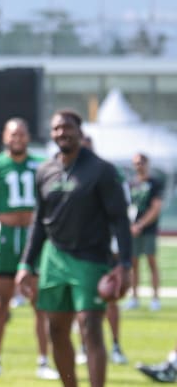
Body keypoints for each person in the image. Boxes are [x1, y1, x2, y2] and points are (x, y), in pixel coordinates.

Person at [16, 109, 132, 387]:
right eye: (56, 129)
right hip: (54, 259)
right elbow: (39, 223)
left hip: (91, 259)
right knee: (56, 330)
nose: (61, 133)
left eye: (67, 128)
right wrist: (25, 264)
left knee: (90, 328)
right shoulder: (45, 170)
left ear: (80, 133)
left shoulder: (102, 170)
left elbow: (120, 220)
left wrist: (125, 265)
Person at [0, 118, 58, 380]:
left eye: (21, 133)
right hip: (6, 236)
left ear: (28, 136)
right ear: (5, 137)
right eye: (13, 134)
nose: (17, 138)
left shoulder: (40, 164)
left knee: (39, 302)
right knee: (1, 301)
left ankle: (44, 360)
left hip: (34, 235)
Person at [75, 135, 129, 366]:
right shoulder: (70, 176)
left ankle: (115, 344)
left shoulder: (108, 174)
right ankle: (83, 345)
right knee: (80, 303)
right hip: (78, 250)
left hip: (105, 247)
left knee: (110, 298)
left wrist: (120, 252)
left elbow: (120, 214)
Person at [125, 152, 165, 311]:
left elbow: (155, 208)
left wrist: (140, 224)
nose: (138, 165)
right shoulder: (131, 184)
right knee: (133, 264)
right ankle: (134, 297)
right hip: (132, 230)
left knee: (151, 263)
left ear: (147, 163)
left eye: (141, 162)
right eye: (136, 162)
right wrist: (130, 226)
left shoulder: (155, 183)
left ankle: (155, 298)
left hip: (147, 229)